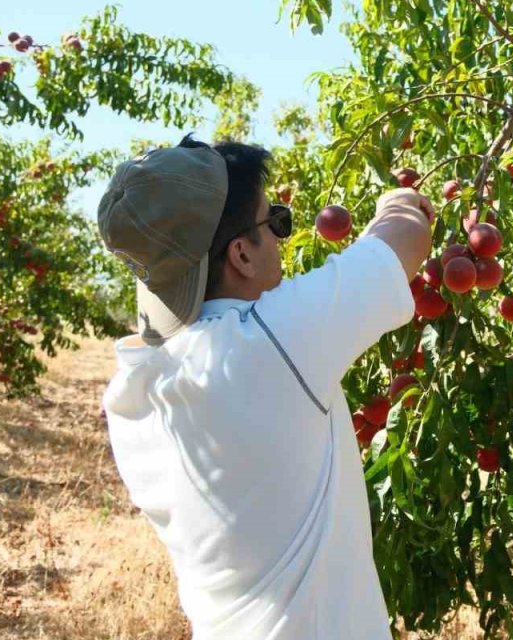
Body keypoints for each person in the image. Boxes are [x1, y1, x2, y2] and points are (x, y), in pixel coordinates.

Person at [96, 135, 432, 639]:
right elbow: (406, 237)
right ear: (241, 255)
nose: (281, 238)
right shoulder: (269, 345)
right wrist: (399, 200)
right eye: (274, 223)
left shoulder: (134, 390)